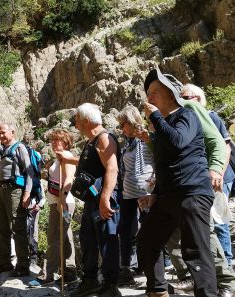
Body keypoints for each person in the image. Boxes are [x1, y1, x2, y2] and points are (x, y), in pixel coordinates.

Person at [136, 68, 217, 297]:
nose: (148, 98)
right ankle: (158, 291)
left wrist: (155, 117)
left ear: (171, 94)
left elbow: (179, 142)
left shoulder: (186, 115)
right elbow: (165, 163)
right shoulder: (163, 125)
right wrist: (156, 193)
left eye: (154, 92)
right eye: (148, 93)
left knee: (196, 252)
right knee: (147, 242)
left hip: (192, 193)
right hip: (168, 196)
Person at [56, 103, 121, 297]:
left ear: (86, 120)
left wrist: (105, 198)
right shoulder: (93, 141)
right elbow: (90, 162)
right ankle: (90, 280)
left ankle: (110, 286)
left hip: (103, 198)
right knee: (88, 240)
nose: (75, 123)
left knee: (107, 241)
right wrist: (68, 160)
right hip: (92, 200)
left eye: (77, 119)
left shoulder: (104, 138)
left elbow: (112, 168)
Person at [181, 84, 235, 265]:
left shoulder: (211, 116)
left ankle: (227, 264)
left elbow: (225, 146)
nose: (182, 101)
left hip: (218, 175)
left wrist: (218, 172)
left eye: (186, 98)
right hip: (201, 176)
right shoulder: (188, 120)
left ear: (197, 99)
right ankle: (212, 264)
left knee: (219, 219)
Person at [32, 129, 78, 286]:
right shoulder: (59, 158)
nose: (53, 143)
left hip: (62, 203)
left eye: (56, 140)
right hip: (59, 202)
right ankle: (69, 273)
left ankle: (47, 274)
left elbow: (70, 178)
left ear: (65, 142)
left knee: (54, 238)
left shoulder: (66, 157)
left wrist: (62, 197)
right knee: (65, 238)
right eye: (52, 140)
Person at [114, 106, 154, 285]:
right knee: (125, 229)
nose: (121, 129)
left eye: (123, 124)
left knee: (147, 230)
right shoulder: (128, 143)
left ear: (131, 122)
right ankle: (126, 268)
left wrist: (155, 180)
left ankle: (150, 268)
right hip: (128, 192)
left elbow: (158, 160)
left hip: (146, 192)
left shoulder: (146, 138)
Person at [0, 123, 33, 277]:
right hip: (3, 190)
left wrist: (27, 193)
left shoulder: (19, 147)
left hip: (15, 191)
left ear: (12, 132)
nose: (1, 135)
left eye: (3, 132)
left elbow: (29, 171)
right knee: (2, 227)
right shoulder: (5, 149)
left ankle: (23, 266)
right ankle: (4, 263)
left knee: (18, 227)